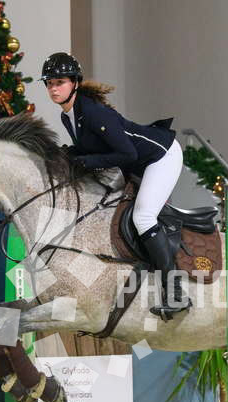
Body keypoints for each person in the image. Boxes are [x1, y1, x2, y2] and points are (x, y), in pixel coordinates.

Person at [40, 52, 191, 320]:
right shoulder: (70, 115)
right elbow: (90, 148)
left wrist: (84, 161)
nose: (53, 88)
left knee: (144, 217)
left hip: (161, 156)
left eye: (59, 82)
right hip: (139, 162)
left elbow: (127, 153)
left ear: (75, 82)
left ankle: (176, 292)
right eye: (49, 83)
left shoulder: (93, 112)